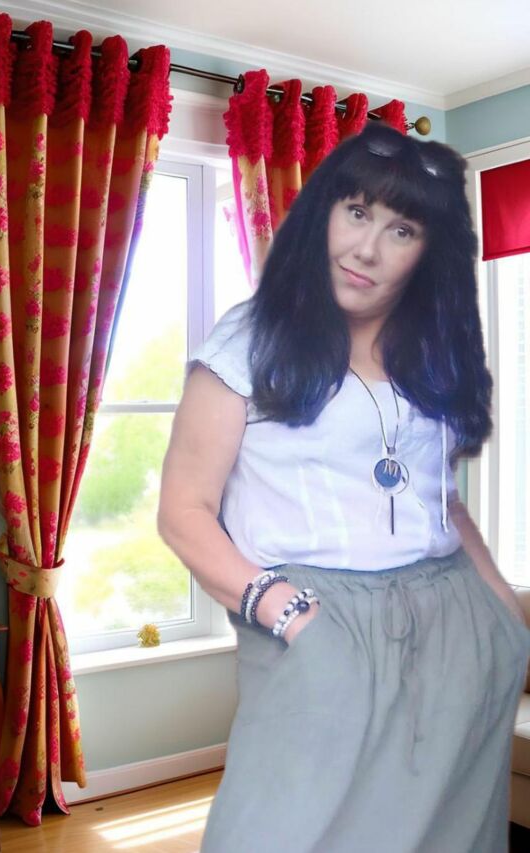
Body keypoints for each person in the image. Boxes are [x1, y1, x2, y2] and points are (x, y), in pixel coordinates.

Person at [157, 121, 530, 853]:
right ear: (324, 211)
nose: (367, 248)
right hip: (314, 613)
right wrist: (294, 617)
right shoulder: (249, 339)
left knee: (448, 834)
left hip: (452, 611)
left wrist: (504, 619)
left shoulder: (434, 350)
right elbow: (184, 511)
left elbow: (443, 500)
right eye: (357, 212)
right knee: (275, 831)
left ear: (428, 251)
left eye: (401, 230)